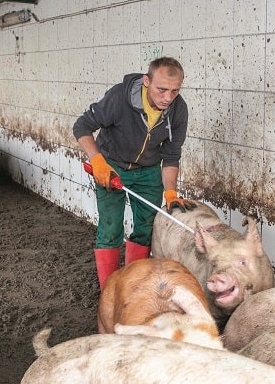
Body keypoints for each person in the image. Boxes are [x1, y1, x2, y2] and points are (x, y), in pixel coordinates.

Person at [73, 57, 196, 289]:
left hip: (148, 171)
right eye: (162, 89)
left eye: (175, 91)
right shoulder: (120, 98)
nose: (168, 98)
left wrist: (170, 191)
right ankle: (109, 290)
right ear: (146, 81)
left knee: (146, 227)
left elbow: (171, 155)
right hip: (111, 166)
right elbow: (81, 126)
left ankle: (133, 286)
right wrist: (97, 160)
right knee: (111, 228)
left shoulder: (178, 110)